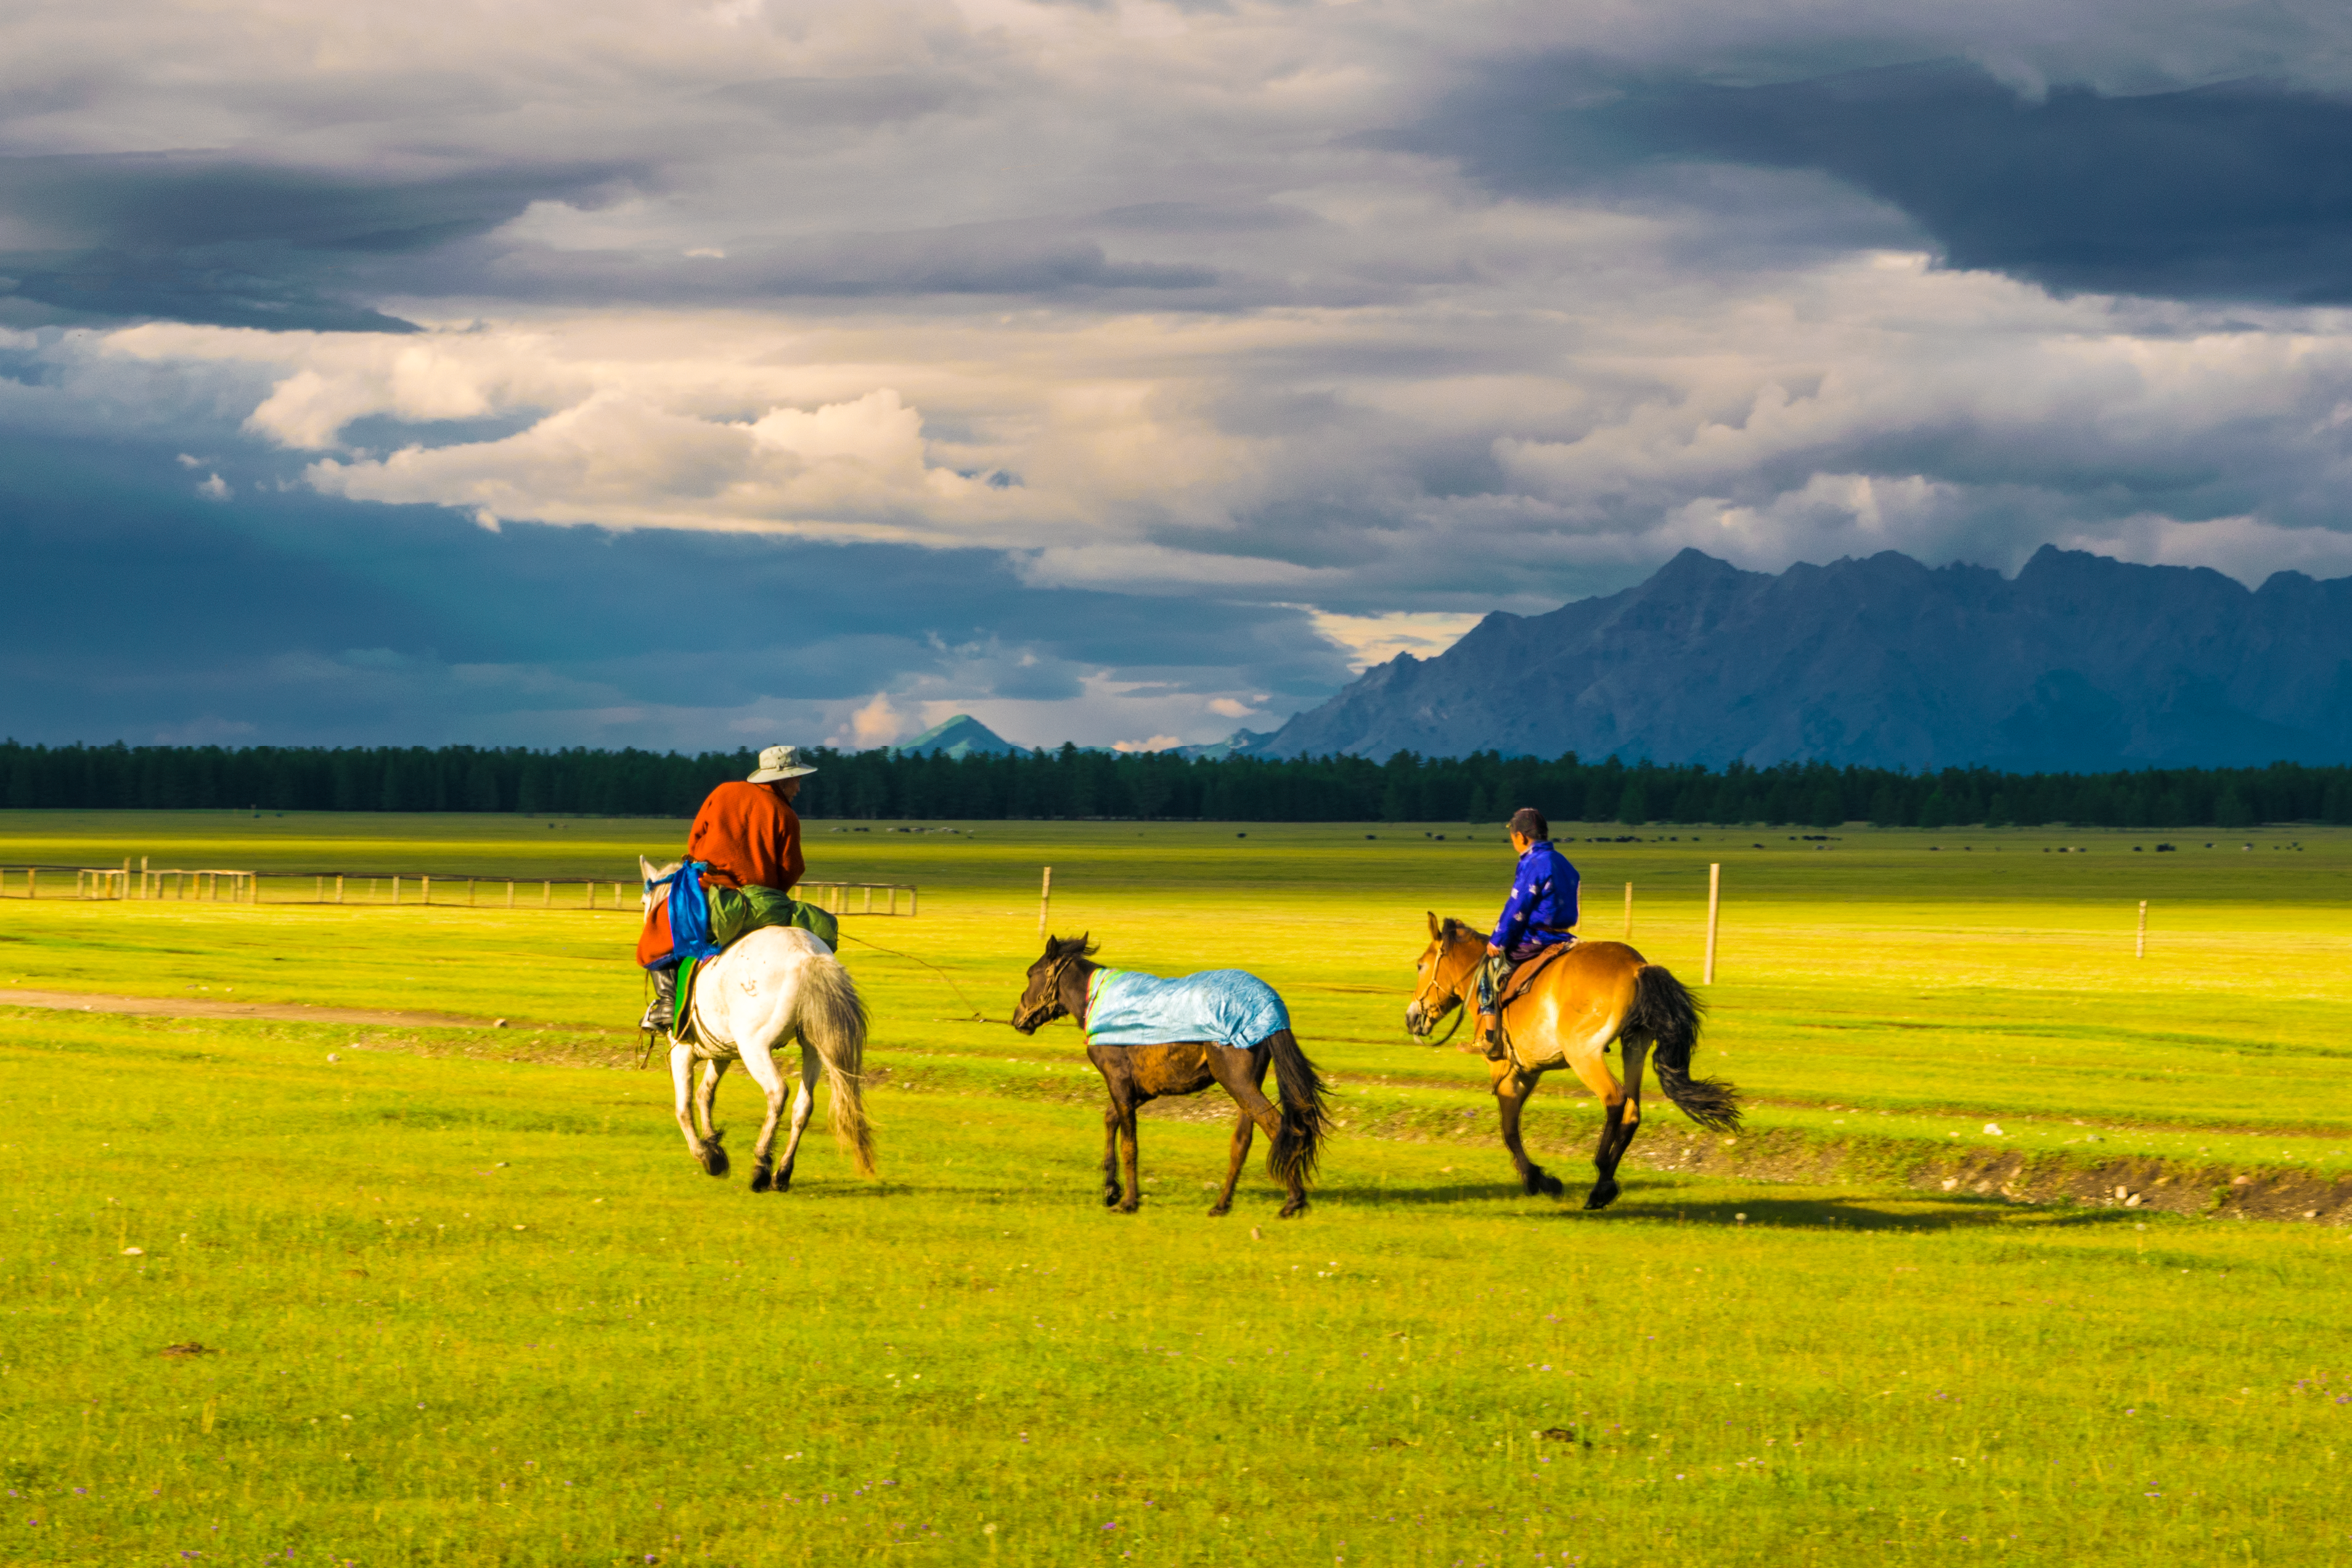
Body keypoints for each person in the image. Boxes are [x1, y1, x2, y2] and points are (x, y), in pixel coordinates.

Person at [637, 743, 833, 1032]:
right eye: (796, 779)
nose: (799, 788)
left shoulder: (723, 792)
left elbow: (696, 838)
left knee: (660, 925)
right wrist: (768, 891)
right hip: (761, 900)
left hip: (709, 890)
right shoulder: (786, 815)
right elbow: (792, 869)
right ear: (780, 779)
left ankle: (667, 1004)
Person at [1475, 807, 1580, 1060]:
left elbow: (1517, 907)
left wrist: (1497, 942)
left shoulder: (1533, 863)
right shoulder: (1563, 861)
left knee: (1488, 972)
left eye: (1512, 837)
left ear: (1520, 837)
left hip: (1536, 939)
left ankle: (1491, 1041)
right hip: (1563, 936)